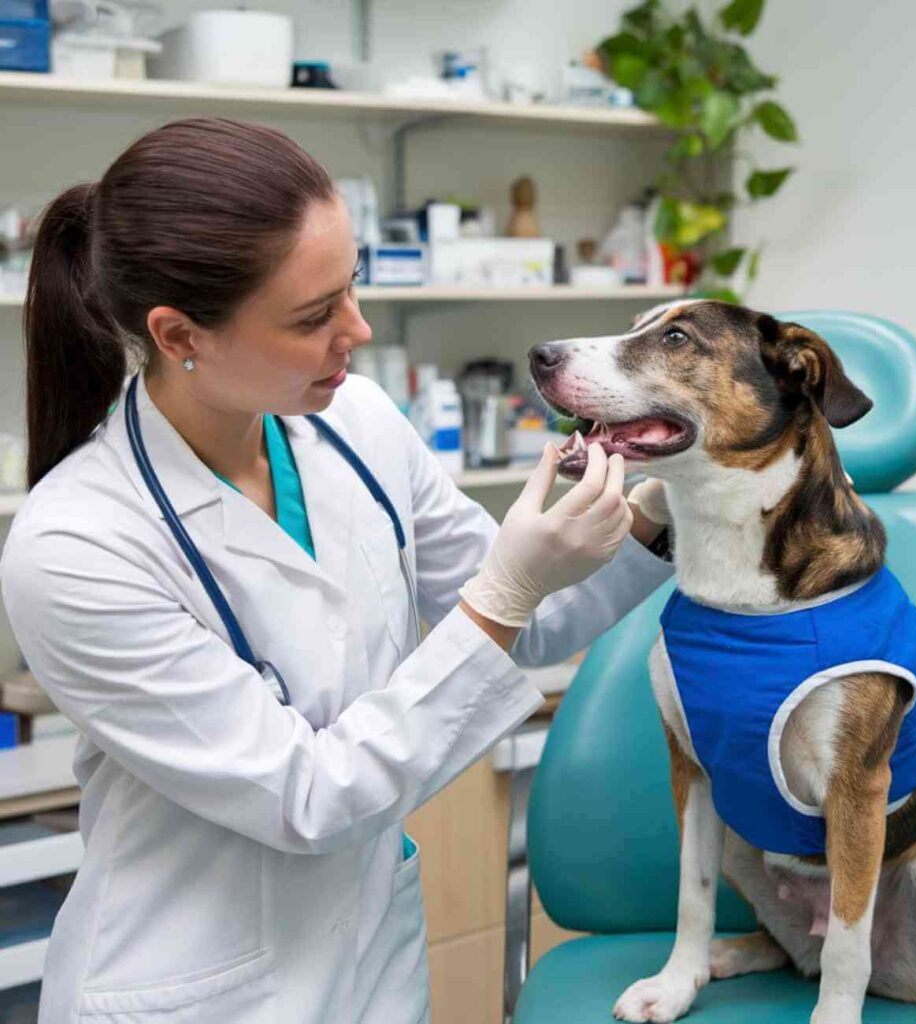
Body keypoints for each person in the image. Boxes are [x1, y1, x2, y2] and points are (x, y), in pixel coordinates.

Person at [0, 118, 673, 1024]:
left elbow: (537, 622)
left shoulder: (353, 422)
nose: (355, 330)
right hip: (195, 987)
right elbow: (312, 797)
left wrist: (675, 513)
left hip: (371, 960)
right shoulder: (77, 545)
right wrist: (507, 590)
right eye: (314, 316)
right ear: (178, 333)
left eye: (350, 287)